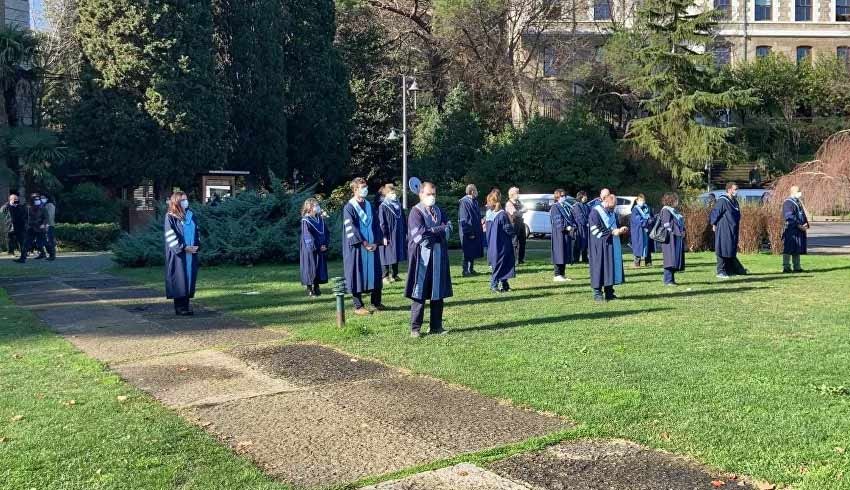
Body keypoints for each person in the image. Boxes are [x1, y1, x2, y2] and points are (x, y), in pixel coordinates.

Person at [405, 181, 453, 338]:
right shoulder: (415, 212)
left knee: (437, 292)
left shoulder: (439, 210)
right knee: (419, 293)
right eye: (428, 194)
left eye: (433, 194)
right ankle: (415, 328)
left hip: (438, 257)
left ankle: (436, 326)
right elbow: (421, 237)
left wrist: (433, 231)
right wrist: (439, 230)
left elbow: (449, 229)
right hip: (422, 260)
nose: (431, 197)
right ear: (421, 194)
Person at [343, 177, 385, 315]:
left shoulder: (369, 205)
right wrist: (364, 243)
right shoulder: (349, 207)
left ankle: (376, 302)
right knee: (356, 273)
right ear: (355, 189)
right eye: (362, 187)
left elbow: (376, 225)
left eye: (365, 186)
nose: (365, 189)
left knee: (376, 272)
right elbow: (351, 228)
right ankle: (358, 305)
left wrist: (376, 242)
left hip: (372, 246)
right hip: (357, 248)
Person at [164, 192, 200, 316]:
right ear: (176, 202)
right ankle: (179, 307)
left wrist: (196, 245)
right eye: (183, 200)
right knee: (179, 279)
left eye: (186, 199)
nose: (186, 202)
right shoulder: (170, 217)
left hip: (191, 253)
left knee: (189, 279)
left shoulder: (191, 215)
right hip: (179, 254)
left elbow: (197, 231)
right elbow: (170, 236)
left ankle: (186, 306)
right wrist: (183, 247)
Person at [589, 193, 628, 302]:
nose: (612, 209)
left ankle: (610, 293)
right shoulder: (595, 212)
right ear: (605, 202)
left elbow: (615, 226)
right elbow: (595, 230)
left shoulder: (612, 212)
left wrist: (621, 229)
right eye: (611, 207)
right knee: (600, 268)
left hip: (611, 245)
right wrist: (612, 232)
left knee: (610, 269)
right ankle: (597, 294)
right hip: (599, 246)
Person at [710, 182, 747, 279]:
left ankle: (729, 270)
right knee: (723, 247)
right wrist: (713, 223)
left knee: (730, 248)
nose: (736, 191)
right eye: (735, 189)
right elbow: (715, 213)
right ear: (729, 190)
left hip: (733, 228)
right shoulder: (723, 200)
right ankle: (720, 271)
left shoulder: (734, 201)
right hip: (724, 228)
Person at [486, 190, 516, 293]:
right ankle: (493, 285)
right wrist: (513, 232)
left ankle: (505, 284)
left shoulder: (489, 214)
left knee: (500, 264)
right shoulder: (502, 214)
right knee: (501, 264)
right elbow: (508, 229)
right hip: (502, 244)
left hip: (491, 243)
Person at [299, 198, 329, 297]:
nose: (318, 207)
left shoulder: (320, 219)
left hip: (321, 247)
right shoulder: (306, 220)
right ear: (310, 207)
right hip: (310, 249)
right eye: (315, 205)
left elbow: (326, 233)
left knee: (318, 267)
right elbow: (307, 236)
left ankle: (316, 286)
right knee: (310, 267)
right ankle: (309, 288)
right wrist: (315, 247)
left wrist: (325, 244)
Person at [378, 183, 407, 283]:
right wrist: (383, 236)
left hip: (398, 234)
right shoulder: (383, 206)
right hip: (388, 235)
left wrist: (405, 232)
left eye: (394, 192)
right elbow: (382, 222)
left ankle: (395, 275)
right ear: (386, 194)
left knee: (396, 254)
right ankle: (385, 276)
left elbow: (404, 220)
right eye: (391, 193)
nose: (393, 194)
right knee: (386, 255)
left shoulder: (398, 205)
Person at [659, 192, 686, 286]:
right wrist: (677, 231)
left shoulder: (673, 210)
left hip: (675, 237)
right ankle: (668, 280)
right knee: (669, 259)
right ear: (671, 200)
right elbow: (667, 224)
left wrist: (682, 230)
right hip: (669, 238)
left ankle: (672, 279)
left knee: (674, 259)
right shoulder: (666, 210)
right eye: (676, 200)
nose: (677, 202)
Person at [458, 184, 484, 277]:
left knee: (472, 250)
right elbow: (464, 218)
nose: (477, 192)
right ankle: (465, 270)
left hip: (475, 230)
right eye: (476, 190)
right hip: (468, 231)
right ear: (472, 191)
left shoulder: (474, 201)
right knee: (467, 251)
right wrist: (469, 232)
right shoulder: (464, 202)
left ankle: (471, 269)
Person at [549, 189, 575, 282]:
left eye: (565, 195)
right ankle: (557, 274)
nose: (565, 197)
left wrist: (571, 226)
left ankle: (562, 274)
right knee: (558, 253)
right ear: (557, 196)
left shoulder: (564, 206)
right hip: (559, 234)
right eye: (563, 195)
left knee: (564, 253)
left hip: (566, 233)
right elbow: (557, 221)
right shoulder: (555, 207)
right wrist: (565, 227)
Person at [781, 185, 809, 273]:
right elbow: (789, 216)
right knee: (788, 248)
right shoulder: (788, 202)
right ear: (793, 192)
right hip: (791, 229)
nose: (800, 193)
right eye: (798, 191)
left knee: (797, 248)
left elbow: (802, 214)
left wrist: (805, 224)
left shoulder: (797, 201)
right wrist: (799, 225)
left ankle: (797, 267)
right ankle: (786, 267)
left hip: (799, 229)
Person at [14, 194, 47, 264]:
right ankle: (22, 258)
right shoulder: (28, 208)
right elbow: (24, 217)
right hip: (31, 228)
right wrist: (26, 223)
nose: (37, 200)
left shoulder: (42, 208)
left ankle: (44, 253)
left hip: (40, 228)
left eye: (38, 199)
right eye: (35, 199)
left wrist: (43, 225)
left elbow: (45, 218)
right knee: (26, 243)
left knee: (40, 243)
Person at [629, 193, 654, 268]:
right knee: (638, 246)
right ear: (637, 201)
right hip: (638, 231)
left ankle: (648, 262)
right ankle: (637, 263)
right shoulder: (635, 209)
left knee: (648, 246)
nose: (641, 202)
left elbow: (652, 217)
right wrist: (647, 222)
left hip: (647, 231)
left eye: (643, 200)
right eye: (640, 200)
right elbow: (637, 220)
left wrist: (652, 220)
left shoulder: (648, 208)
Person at [505, 187, 527, 265]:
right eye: (517, 193)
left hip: (521, 223)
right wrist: (521, 211)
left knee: (522, 241)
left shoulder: (518, 202)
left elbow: (526, 209)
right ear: (512, 194)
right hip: (513, 224)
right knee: (514, 242)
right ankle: (514, 260)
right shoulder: (509, 203)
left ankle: (521, 259)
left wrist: (520, 211)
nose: (519, 194)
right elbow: (515, 214)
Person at [571, 191, 590, 263]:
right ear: (581, 196)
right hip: (579, 227)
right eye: (585, 195)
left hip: (586, 227)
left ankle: (585, 258)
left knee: (585, 243)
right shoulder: (576, 206)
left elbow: (590, 215)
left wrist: (589, 222)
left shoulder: (587, 206)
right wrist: (586, 222)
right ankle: (576, 259)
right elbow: (579, 217)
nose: (586, 197)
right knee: (578, 243)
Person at [41, 194, 57, 261]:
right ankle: (50, 254)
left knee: (49, 241)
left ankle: (52, 255)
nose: (41, 199)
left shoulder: (49, 205)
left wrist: (45, 225)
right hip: (47, 225)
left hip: (49, 225)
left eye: (43, 198)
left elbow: (49, 216)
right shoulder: (46, 205)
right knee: (47, 240)